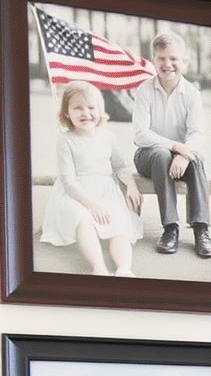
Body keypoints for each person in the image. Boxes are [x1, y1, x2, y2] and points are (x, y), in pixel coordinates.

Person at [39, 81, 143, 276]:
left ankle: (123, 269)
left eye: (91, 108)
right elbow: (68, 181)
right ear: (66, 113)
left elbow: (120, 166)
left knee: (119, 225)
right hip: (76, 193)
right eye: (78, 108)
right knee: (83, 220)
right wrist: (92, 205)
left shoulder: (108, 137)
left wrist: (131, 186)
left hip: (106, 190)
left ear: (100, 110)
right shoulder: (65, 140)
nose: (86, 113)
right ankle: (99, 267)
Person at [132, 31, 211, 259]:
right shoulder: (144, 90)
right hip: (148, 157)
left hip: (182, 159)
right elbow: (140, 134)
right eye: (161, 59)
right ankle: (170, 228)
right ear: (153, 61)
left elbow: (197, 134)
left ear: (184, 61)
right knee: (160, 154)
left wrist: (185, 155)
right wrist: (176, 147)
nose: (167, 64)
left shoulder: (192, 94)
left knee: (196, 159)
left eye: (173, 59)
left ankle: (201, 230)